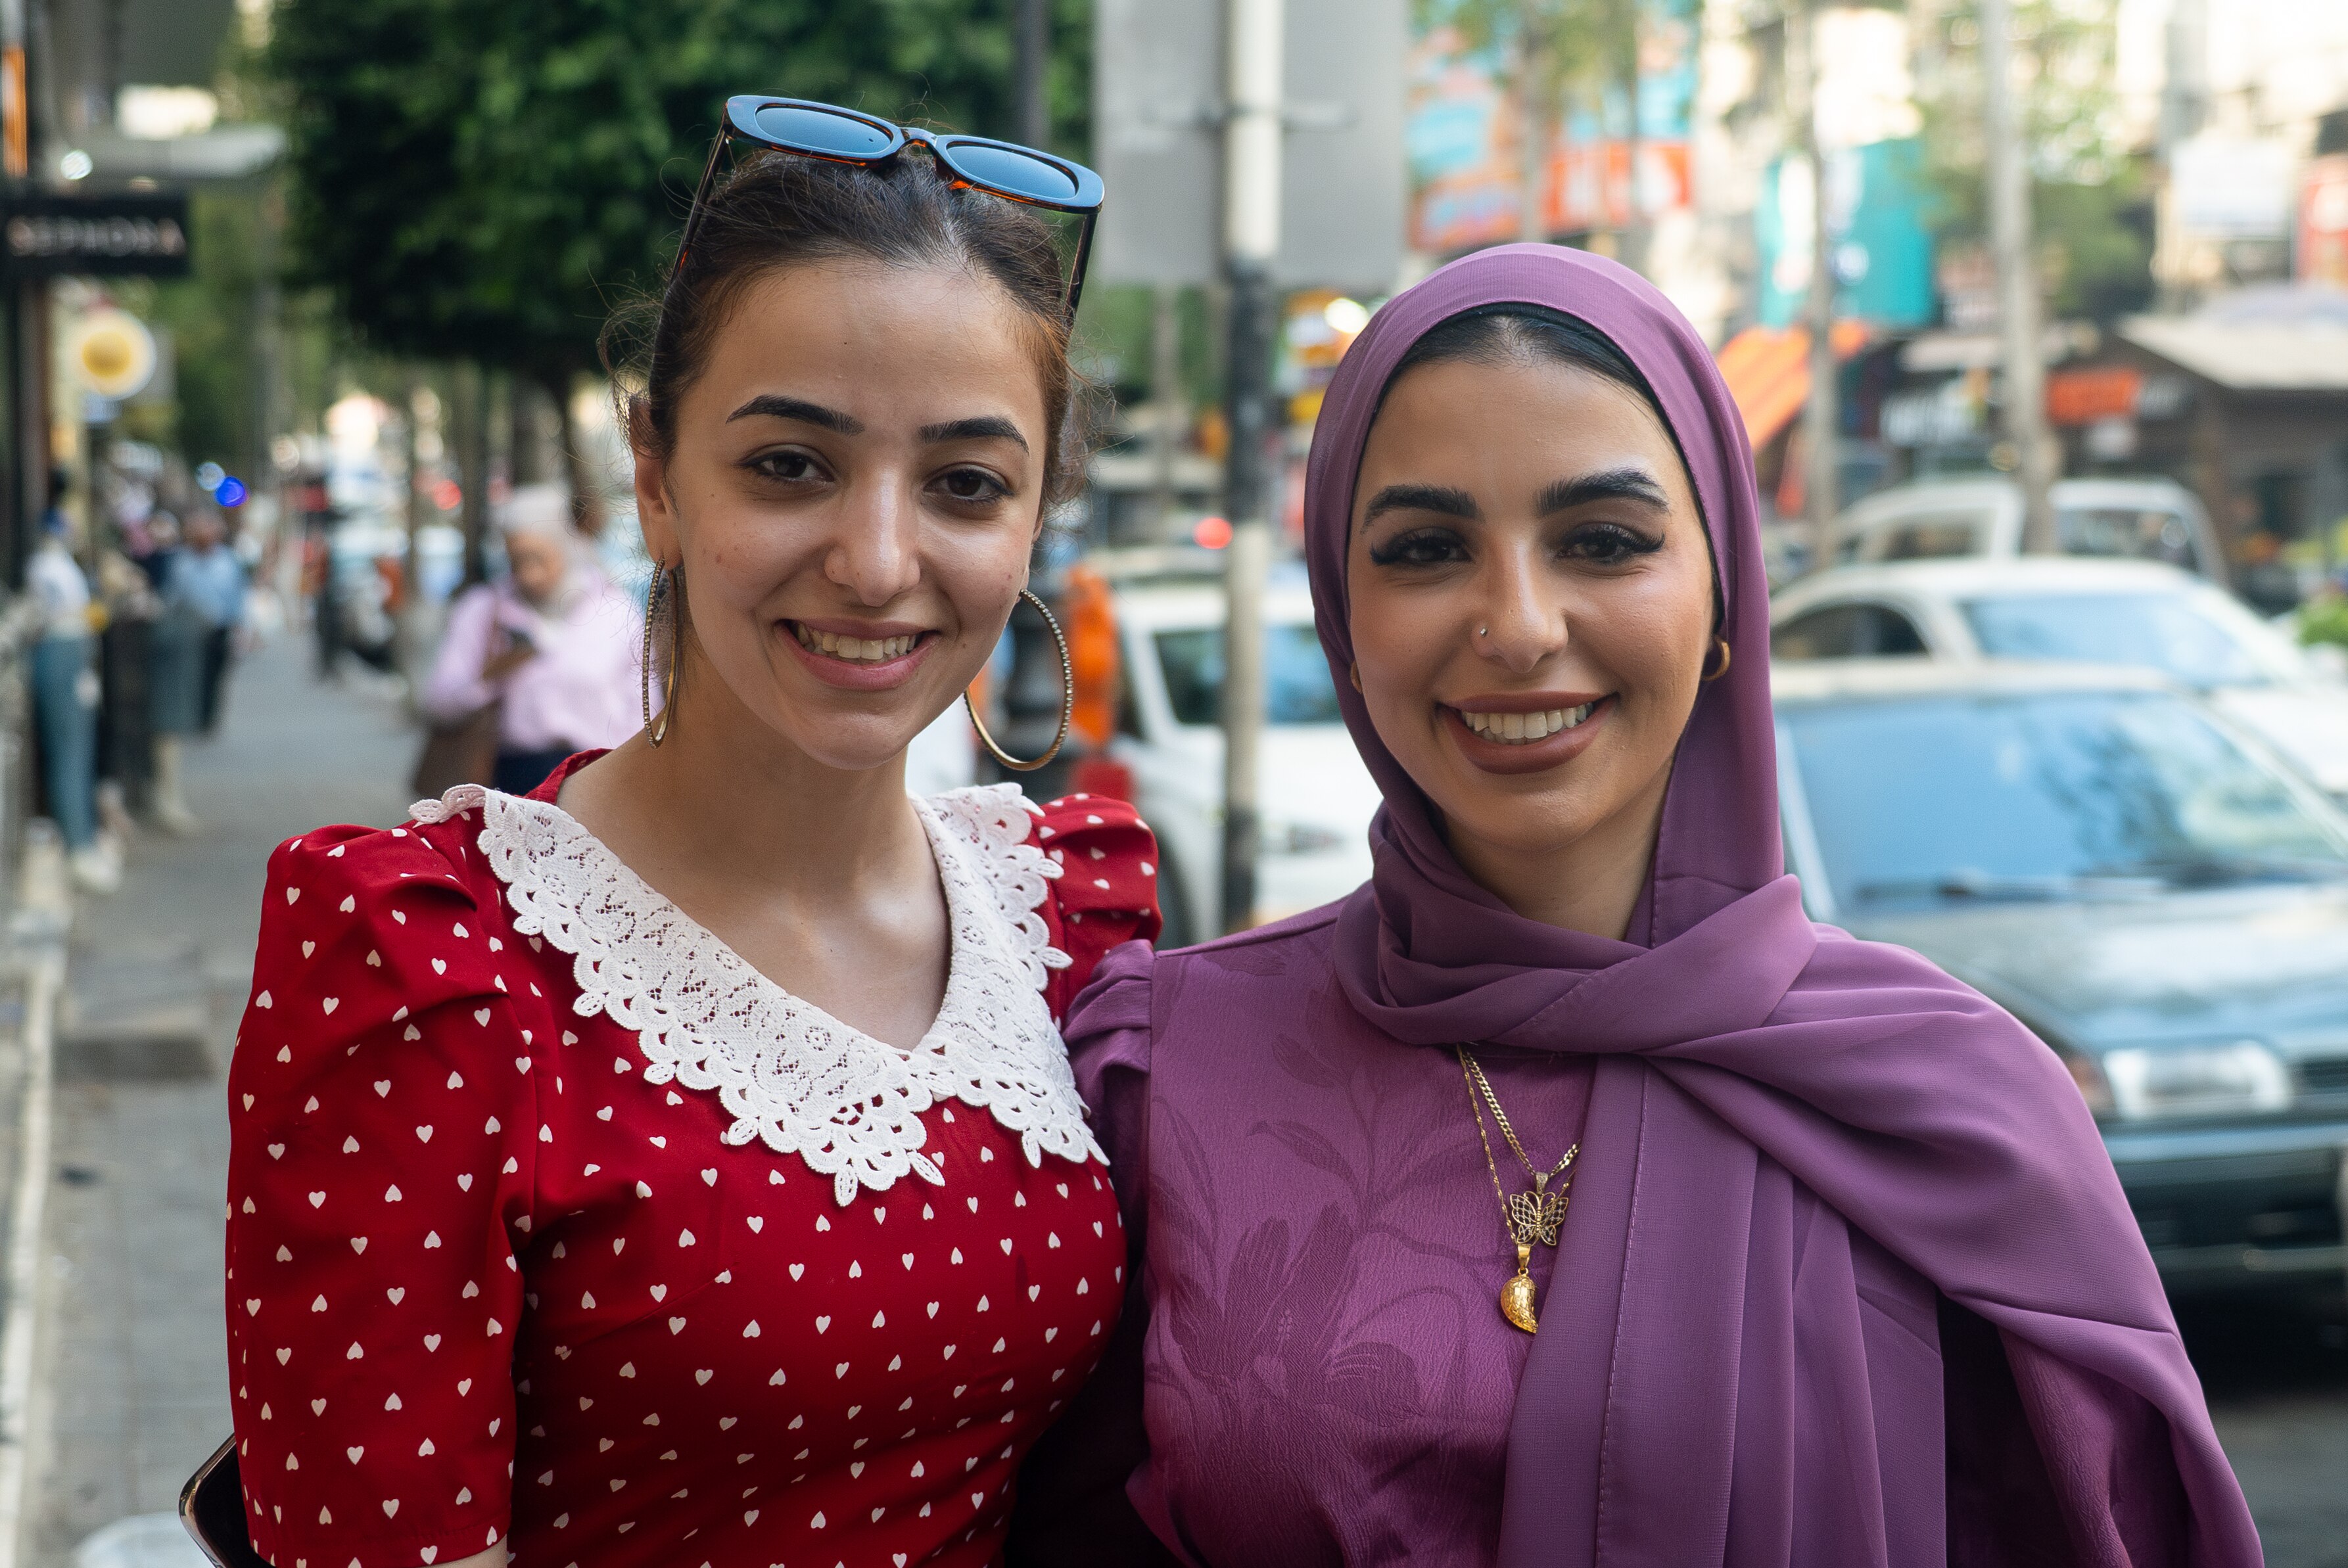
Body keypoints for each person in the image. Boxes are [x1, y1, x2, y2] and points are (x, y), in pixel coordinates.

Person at [1012, 246, 2261, 1567]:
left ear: (1725, 596)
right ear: (1342, 611)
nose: (1518, 624)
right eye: (1427, 548)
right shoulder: (1167, 1071)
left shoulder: (1957, 1110)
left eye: (1602, 540)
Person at [222, 109, 1152, 1568]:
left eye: (966, 482)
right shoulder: (433, 960)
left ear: (1035, 516)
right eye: (791, 464)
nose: (877, 559)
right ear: (656, 475)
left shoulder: (1069, 925)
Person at [421, 484, 641, 796]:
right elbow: (438, 702)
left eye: (537, 558)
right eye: (517, 561)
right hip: (512, 786)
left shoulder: (616, 612)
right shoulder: (485, 610)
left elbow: (646, 712)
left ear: (565, 546)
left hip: (602, 783)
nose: (528, 576)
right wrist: (488, 680)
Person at [29, 476, 115, 893]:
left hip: (73, 653)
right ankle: (77, 843)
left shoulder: (57, 564)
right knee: (70, 753)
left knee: (76, 752)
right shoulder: (47, 567)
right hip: (62, 653)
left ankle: (83, 836)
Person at [148, 507, 248, 832]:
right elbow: (172, 600)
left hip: (216, 636)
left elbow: (236, 599)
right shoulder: (180, 563)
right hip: (186, 641)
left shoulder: (228, 562)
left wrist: (240, 629)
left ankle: (205, 721)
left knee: (209, 691)